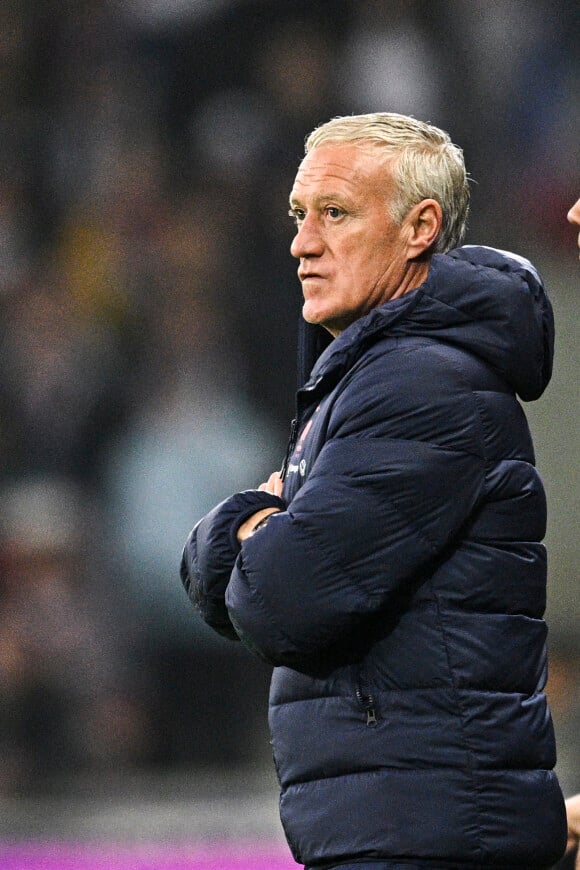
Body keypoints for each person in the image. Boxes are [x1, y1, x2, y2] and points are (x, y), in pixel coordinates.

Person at [180, 112, 568, 869]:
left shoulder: (423, 384)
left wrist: (260, 524)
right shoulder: (369, 378)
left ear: (420, 227)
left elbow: (277, 600)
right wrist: (257, 525)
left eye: (335, 213)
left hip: (428, 837)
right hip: (409, 826)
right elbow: (233, 587)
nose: (301, 242)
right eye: (298, 214)